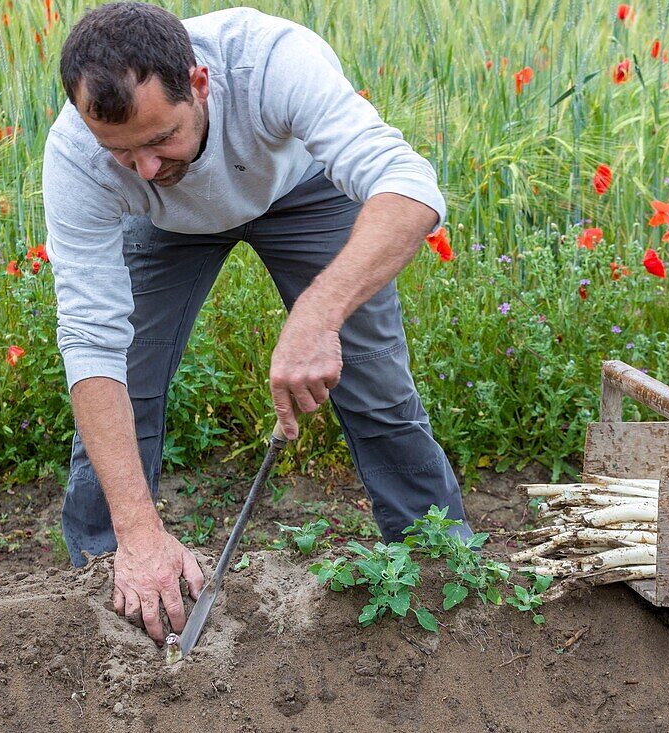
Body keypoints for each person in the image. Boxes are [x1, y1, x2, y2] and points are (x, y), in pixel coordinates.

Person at [43, 2, 470, 644]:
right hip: (161, 227)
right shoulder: (81, 156)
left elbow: (410, 186)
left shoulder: (271, 63)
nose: (148, 168)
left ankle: (445, 576)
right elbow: (90, 342)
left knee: (378, 392)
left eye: (162, 138)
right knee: (125, 391)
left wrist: (319, 311)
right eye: (122, 152)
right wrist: (141, 532)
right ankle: (118, 580)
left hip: (302, 190)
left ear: (200, 84)